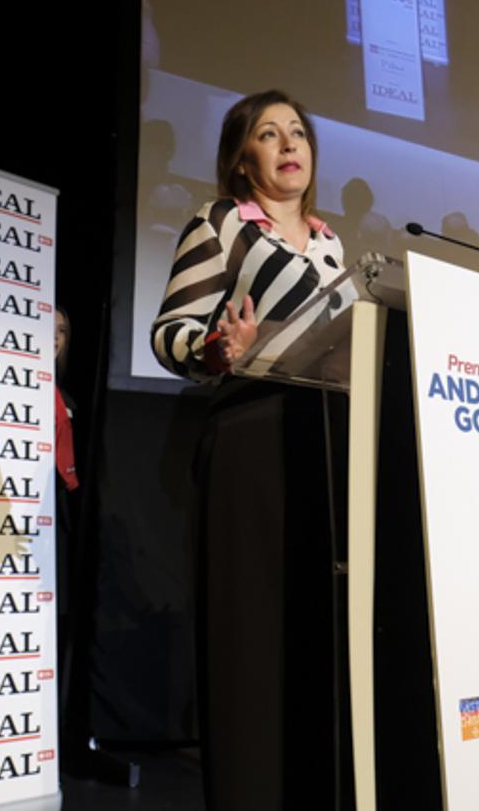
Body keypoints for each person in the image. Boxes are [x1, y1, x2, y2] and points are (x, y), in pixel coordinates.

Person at [151, 90, 349, 809]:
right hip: (251, 437)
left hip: (327, 442)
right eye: (269, 134)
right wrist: (215, 346)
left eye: (297, 131)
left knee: (315, 631)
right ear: (243, 159)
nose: (289, 143)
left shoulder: (331, 244)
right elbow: (169, 332)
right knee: (251, 637)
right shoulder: (223, 225)